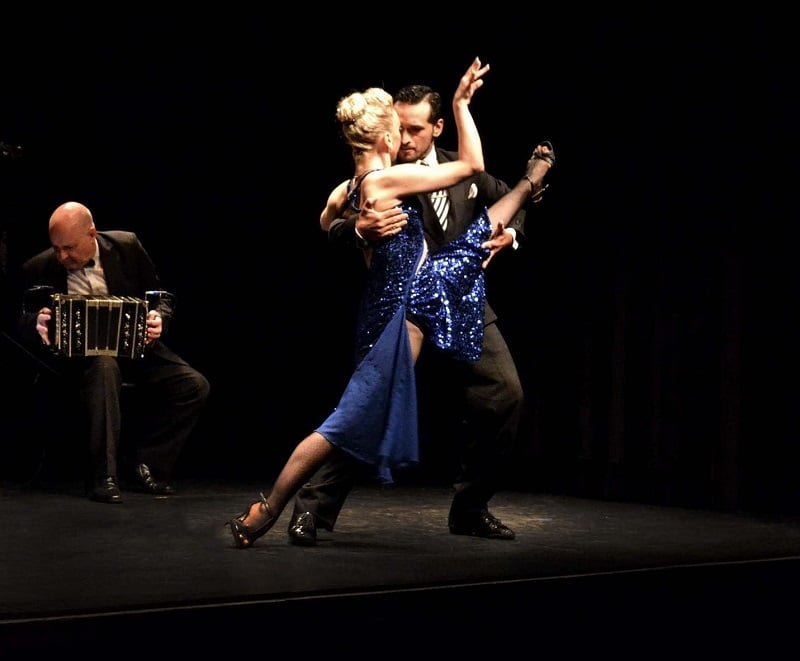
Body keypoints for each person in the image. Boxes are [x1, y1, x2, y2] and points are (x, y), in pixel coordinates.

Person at [226, 57, 554, 548]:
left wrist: (510, 233)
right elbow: (470, 166)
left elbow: (482, 186)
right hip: (413, 303)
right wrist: (358, 231)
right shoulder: (390, 178)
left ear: (434, 127)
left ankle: (469, 508)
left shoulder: (353, 185)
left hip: (439, 300)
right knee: (354, 417)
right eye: (398, 128)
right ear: (385, 136)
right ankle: (292, 508)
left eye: (414, 128)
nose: (405, 138)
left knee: (498, 390)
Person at [14, 201, 210, 503]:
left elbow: (159, 296)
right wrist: (35, 324)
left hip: (135, 351)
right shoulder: (39, 267)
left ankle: (147, 465)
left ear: (92, 233)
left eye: (68, 247)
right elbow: (20, 320)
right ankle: (103, 475)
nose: (62, 256)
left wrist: (159, 318)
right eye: (56, 248)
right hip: (78, 362)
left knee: (194, 385)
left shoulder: (126, 246)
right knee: (105, 365)